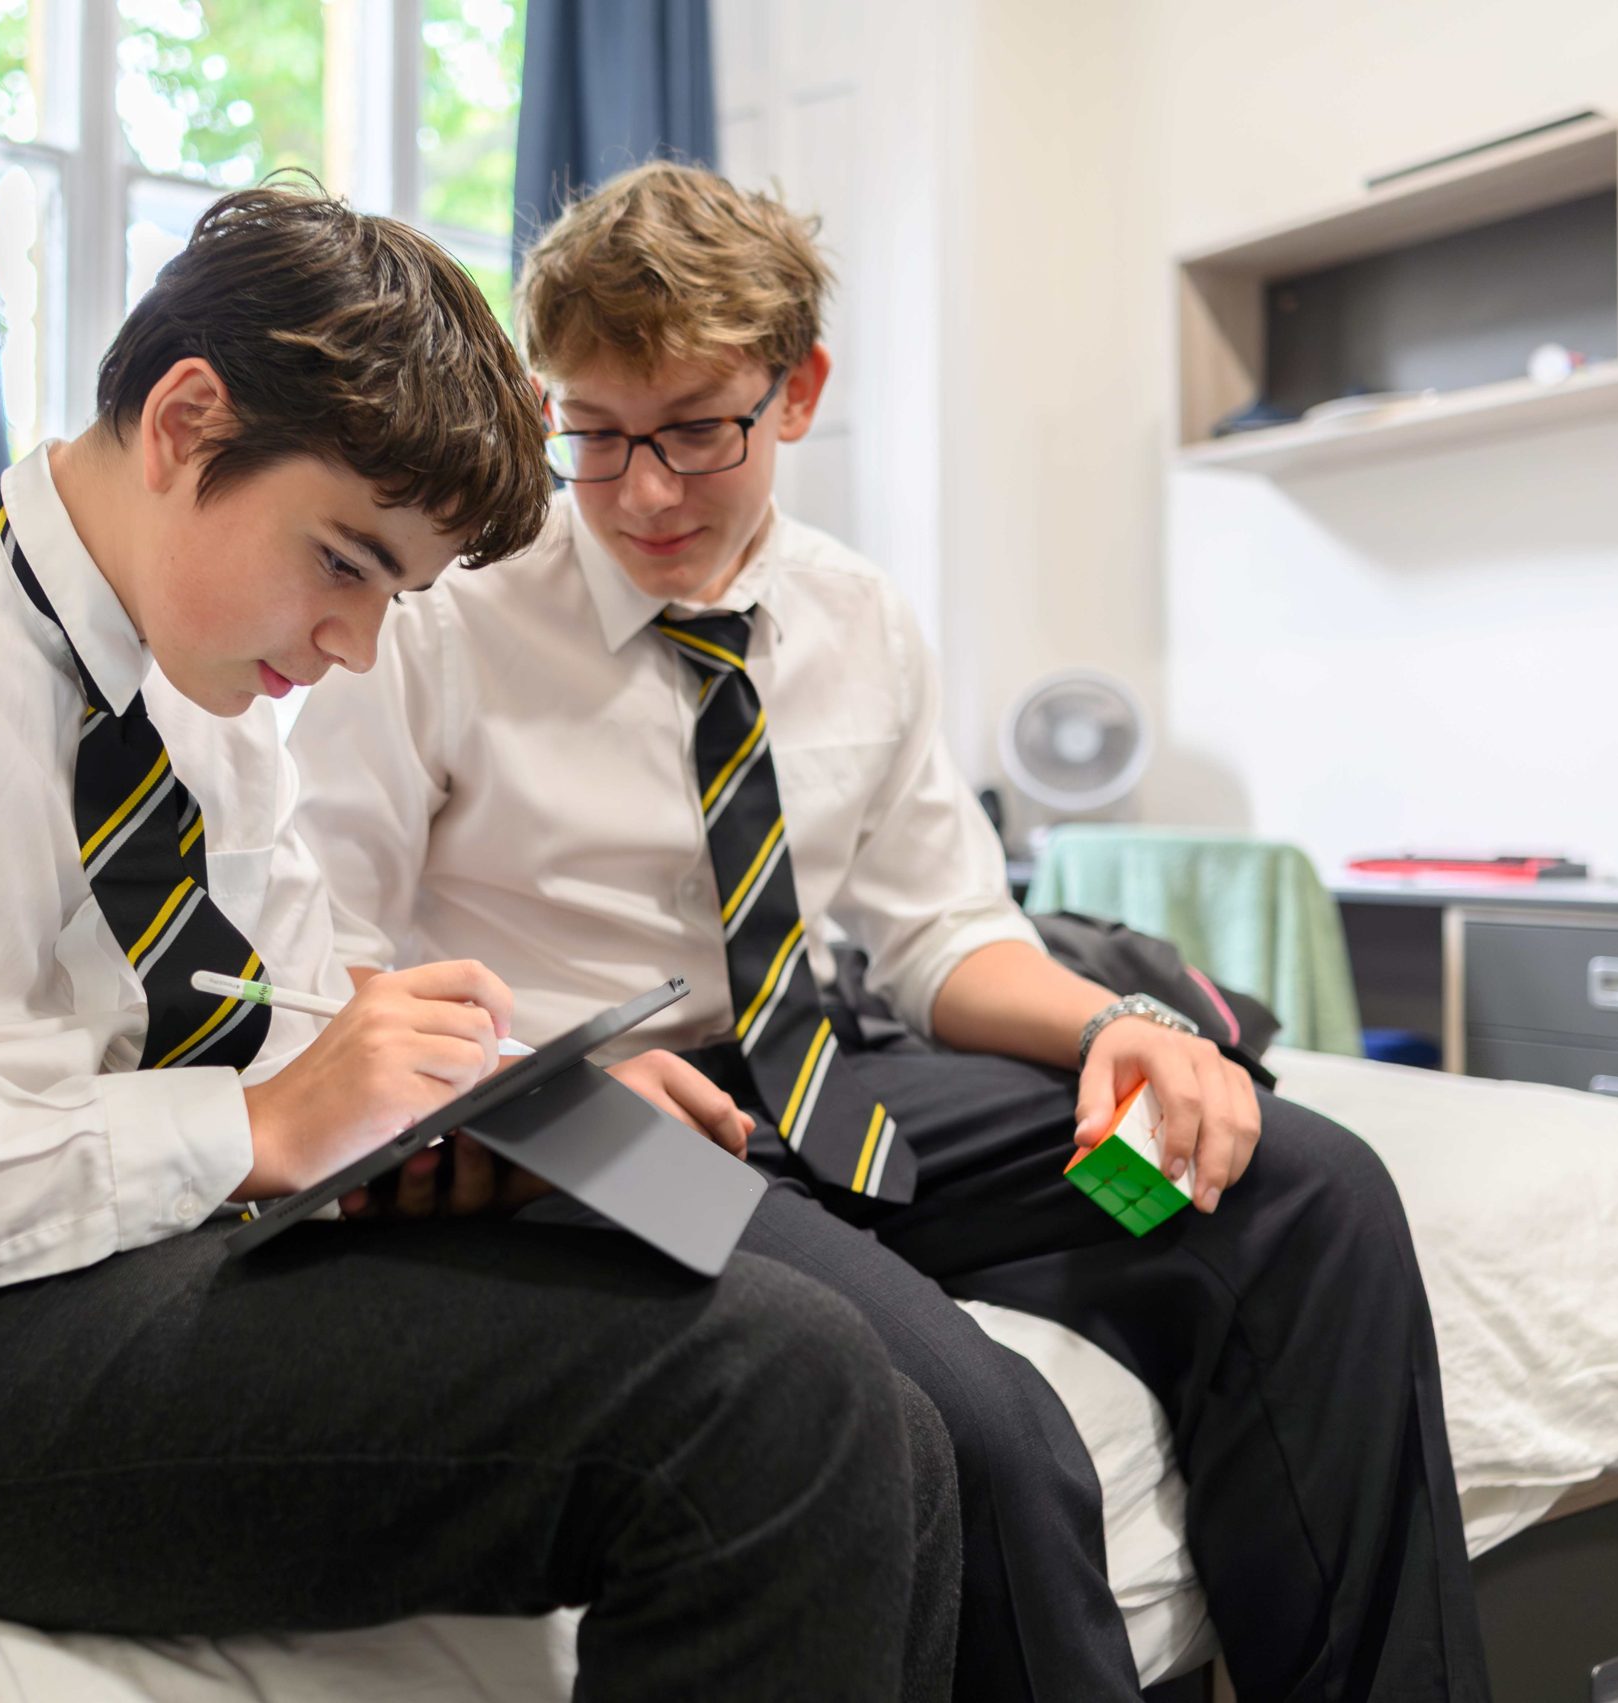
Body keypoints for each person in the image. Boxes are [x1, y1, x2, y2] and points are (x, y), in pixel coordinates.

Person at [0, 182, 963, 1702]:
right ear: (185, 423)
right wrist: (246, 1131)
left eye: (399, 595)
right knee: (768, 1393)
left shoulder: (206, 703)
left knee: (885, 1402)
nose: (356, 648)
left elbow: (297, 1020)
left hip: (113, 1274)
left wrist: (497, 1103)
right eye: (348, 564)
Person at [289, 161, 1490, 1702]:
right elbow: (326, 955)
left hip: (824, 1080)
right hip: (582, 1119)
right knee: (971, 1426)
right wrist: (532, 1084)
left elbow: (938, 933)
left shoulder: (857, 617)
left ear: (797, 394)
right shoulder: (444, 615)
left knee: (1300, 1192)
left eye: (697, 433)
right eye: (594, 435)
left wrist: (1122, 1026)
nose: (644, 492)